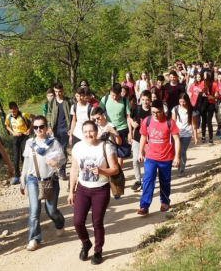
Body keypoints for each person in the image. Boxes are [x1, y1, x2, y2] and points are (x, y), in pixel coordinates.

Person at [68, 121, 119, 265]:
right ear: (82, 133)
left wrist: (102, 171)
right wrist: (71, 192)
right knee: (77, 222)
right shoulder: (78, 147)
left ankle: (98, 250)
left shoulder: (106, 147)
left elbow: (115, 169)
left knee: (97, 223)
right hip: (83, 189)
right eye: (85, 132)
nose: (88, 134)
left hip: (100, 189)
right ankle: (86, 243)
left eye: (91, 131)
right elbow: (74, 170)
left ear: (97, 131)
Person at [20, 116, 66, 251]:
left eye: (41, 127)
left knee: (51, 211)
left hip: (51, 179)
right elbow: (26, 165)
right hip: (33, 180)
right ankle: (34, 238)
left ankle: (60, 223)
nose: (39, 129)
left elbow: (63, 160)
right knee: (34, 211)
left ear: (46, 127)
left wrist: (56, 163)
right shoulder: (29, 143)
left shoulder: (53, 143)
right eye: (36, 127)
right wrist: (23, 182)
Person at [137, 100, 180, 216]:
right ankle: (144, 205)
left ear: (163, 110)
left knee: (165, 180)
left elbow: (176, 139)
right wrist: (140, 152)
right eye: (153, 112)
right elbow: (143, 137)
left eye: (158, 112)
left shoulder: (169, 122)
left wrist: (177, 156)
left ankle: (165, 201)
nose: (155, 115)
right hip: (151, 157)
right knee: (148, 179)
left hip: (166, 157)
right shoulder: (147, 120)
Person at [99, 83, 132, 167]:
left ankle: (119, 169)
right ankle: (110, 166)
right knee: (108, 148)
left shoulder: (125, 101)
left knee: (120, 150)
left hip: (122, 128)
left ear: (121, 93)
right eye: (113, 95)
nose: (114, 97)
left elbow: (128, 117)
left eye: (117, 96)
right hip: (109, 128)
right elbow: (99, 112)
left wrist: (130, 133)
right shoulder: (105, 99)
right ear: (110, 91)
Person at [47, 82, 73, 180]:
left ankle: (62, 170)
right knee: (56, 150)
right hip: (55, 128)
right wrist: (49, 126)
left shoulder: (68, 101)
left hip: (66, 128)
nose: (58, 93)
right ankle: (56, 168)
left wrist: (71, 128)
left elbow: (72, 115)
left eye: (60, 91)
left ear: (63, 91)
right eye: (56, 91)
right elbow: (49, 114)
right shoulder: (52, 102)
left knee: (62, 148)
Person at [5, 102, 35, 184]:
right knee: (16, 158)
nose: (13, 113)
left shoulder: (24, 114)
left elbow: (34, 117)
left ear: (17, 108)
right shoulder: (8, 117)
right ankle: (16, 176)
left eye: (14, 111)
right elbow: (7, 126)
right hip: (16, 138)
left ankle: (26, 175)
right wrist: (13, 133)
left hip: (24, 137)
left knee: (24, 156)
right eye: (11, 112)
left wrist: (29, 129)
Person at [129, 90, 151, 192]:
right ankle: (138, 181)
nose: (145, 102)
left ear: (150, 100)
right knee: (135, 160)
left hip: (150, 140)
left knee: (148, 162)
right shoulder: (136, 108)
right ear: (140, 99)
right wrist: (133, 124)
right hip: (137, 138)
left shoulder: (152, 111)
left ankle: (146, 181)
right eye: (143, 100)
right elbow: (129, 117)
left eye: (147, 100)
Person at [172, 93, 197, 177]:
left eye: (184, 101)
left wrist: (195, 136)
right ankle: (179, 164)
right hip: (177, 133)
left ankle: (181, 168)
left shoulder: (191, 110)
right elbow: (173, 122)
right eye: (180, 101)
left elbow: (194, 125)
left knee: (182, 151)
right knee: (176, 151)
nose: (182, 103)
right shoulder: (175, 109)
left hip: (187, 133)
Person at [200, 74, 219, 144]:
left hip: (211, 103)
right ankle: (203, 136)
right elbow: (199, 92)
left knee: (209, 121)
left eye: (205, 74)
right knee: (203, 120)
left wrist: (213, 97)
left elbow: (218, 95)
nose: (204, 76)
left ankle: (210, 138)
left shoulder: (214, 84)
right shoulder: (202, 83)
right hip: (204, 103)